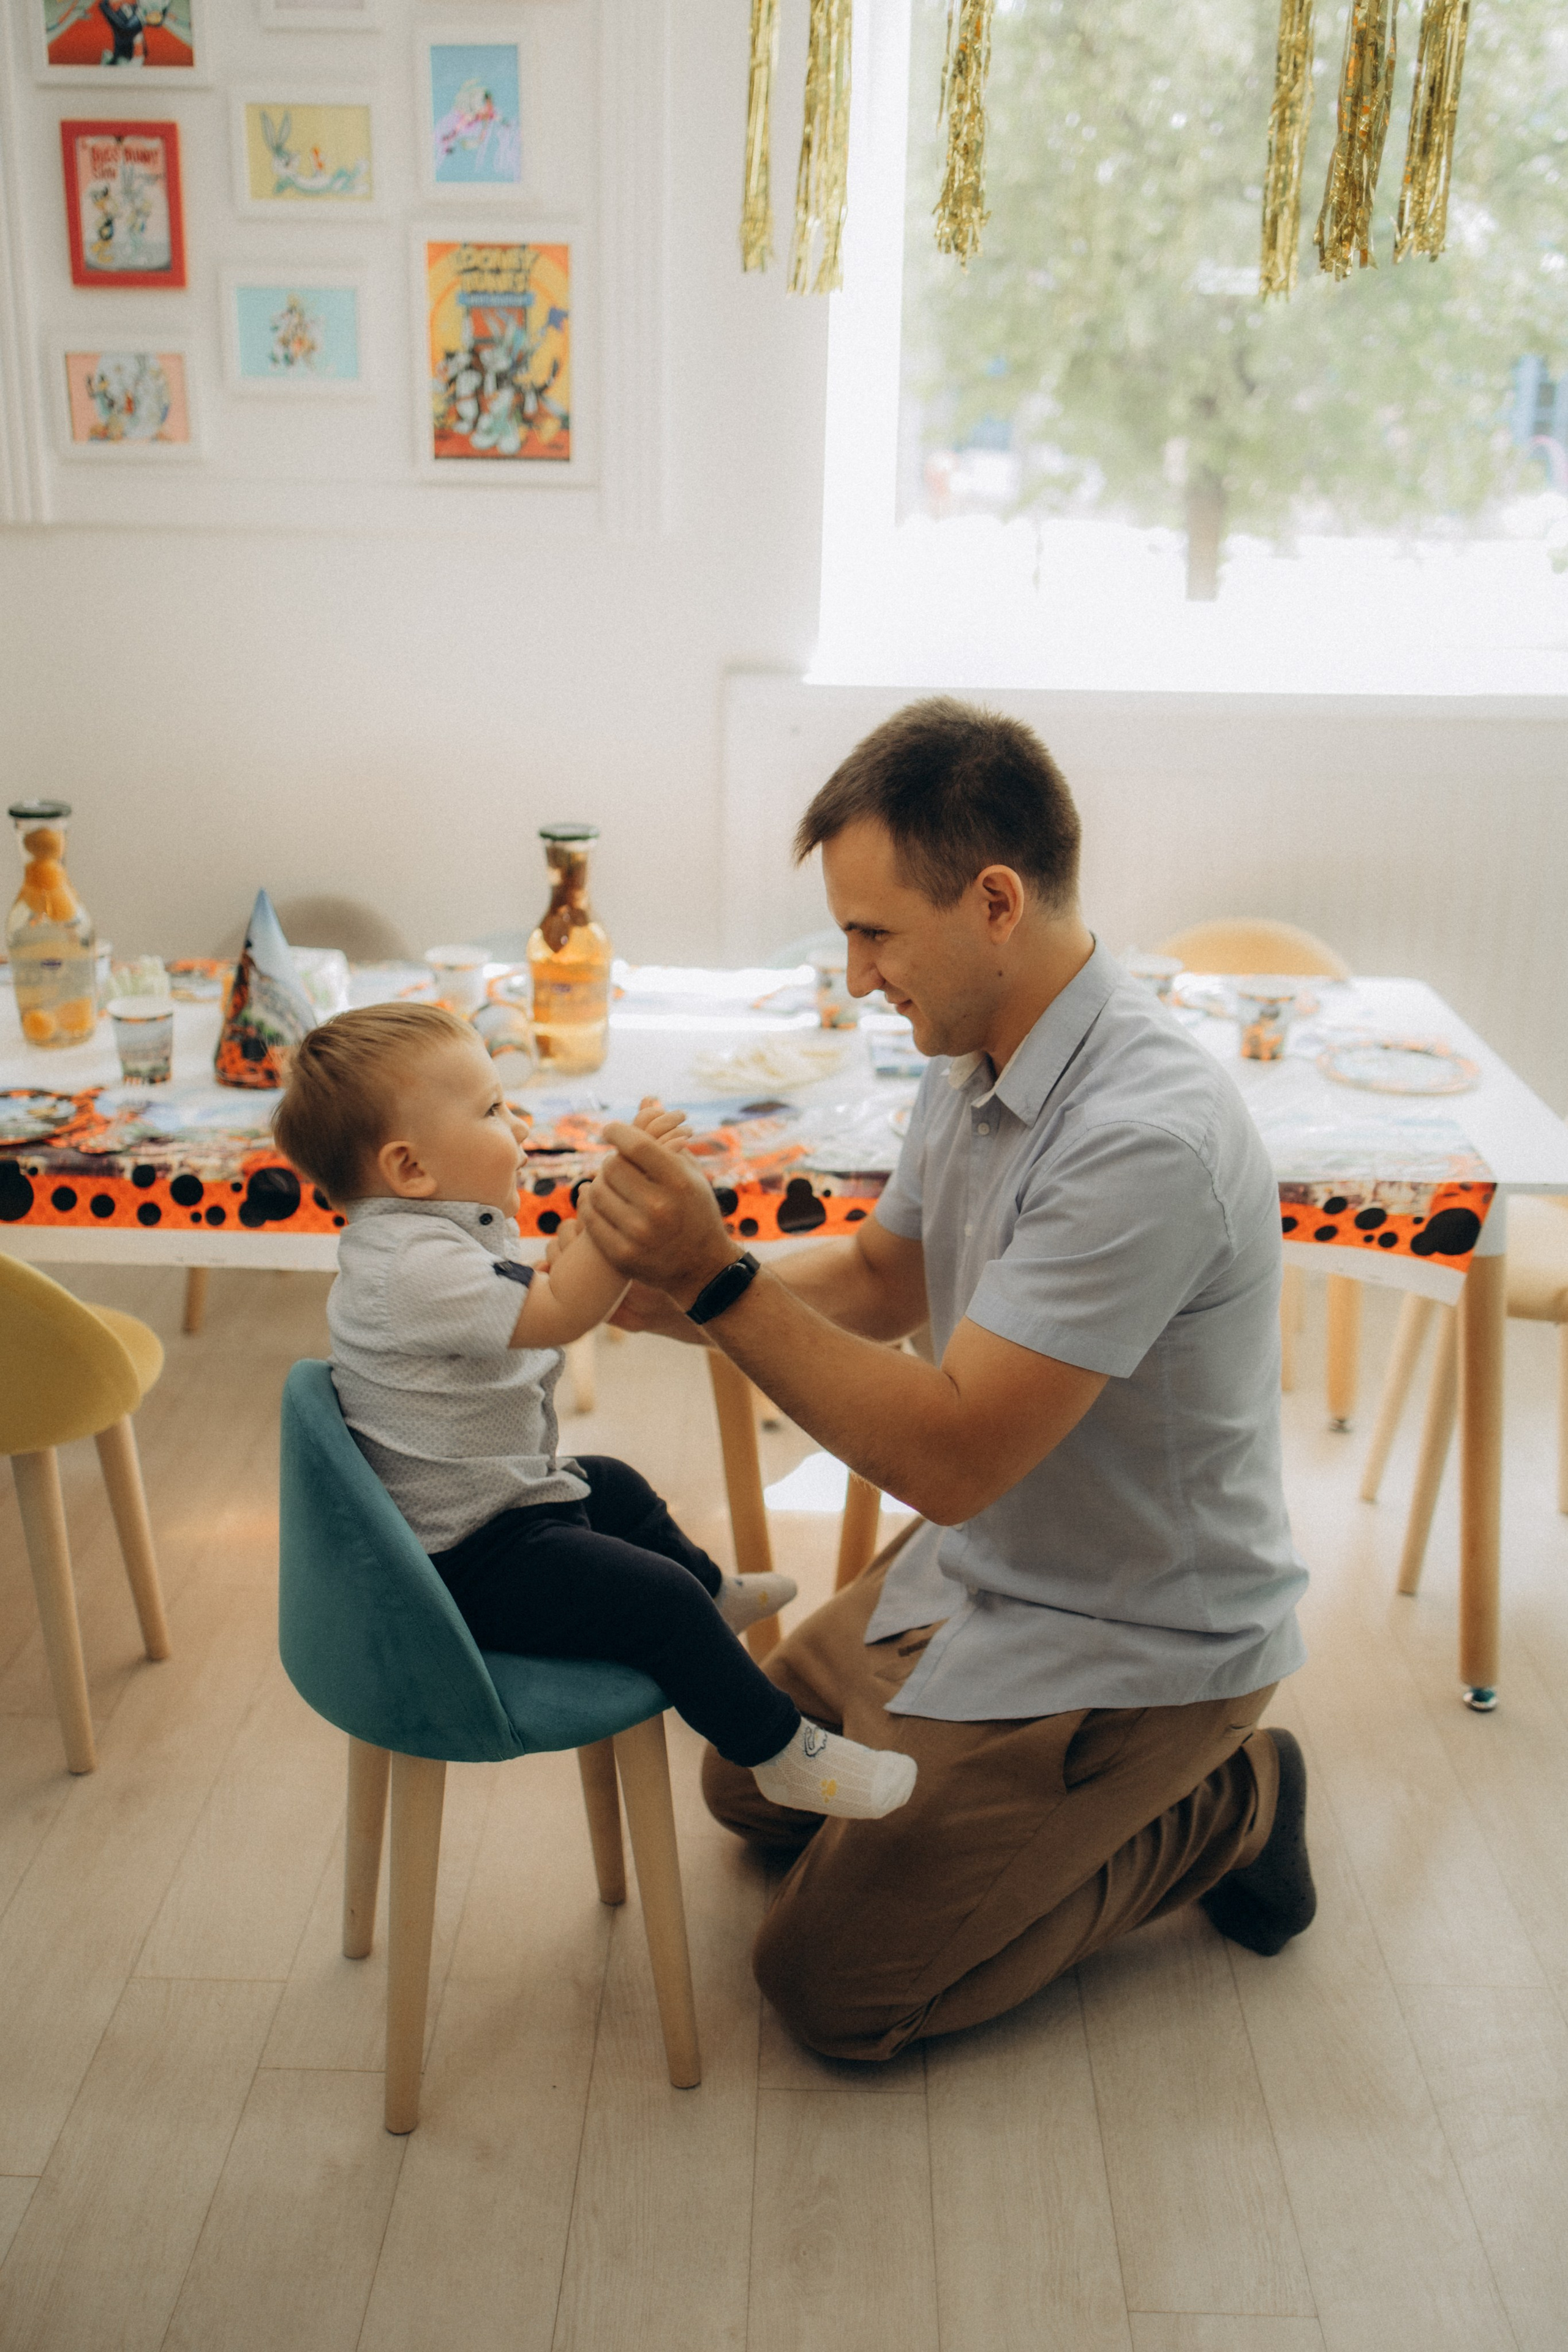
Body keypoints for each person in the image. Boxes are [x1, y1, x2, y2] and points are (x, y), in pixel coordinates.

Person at [576, 696, 1317, 2064]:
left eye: (873, 934)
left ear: (992, 902)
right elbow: (878, 1279)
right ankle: (978, 1800)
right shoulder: (975, 1042)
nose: (857, 977)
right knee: (748, 1784)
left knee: (833, 1990)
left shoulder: (1139, 1137)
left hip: (1136, 1630)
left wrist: (717, 1280)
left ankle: (1231, 1803)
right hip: (995, 1566)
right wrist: (671, 1292)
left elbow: (951, 1457)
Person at [273, 1001, 918, 1821]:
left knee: (613, 1487)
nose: (518, 1121)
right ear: (409, 1169)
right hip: (464, 1563)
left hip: (495, 1505)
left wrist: (603, 1210)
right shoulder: (413, 1270)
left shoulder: (425, 1243)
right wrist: (629, 1211)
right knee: (657, 1604)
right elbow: (561, 1313)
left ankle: (712, 1592)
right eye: (493, 1110)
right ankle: (779, 1753)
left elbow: (541, 1287)